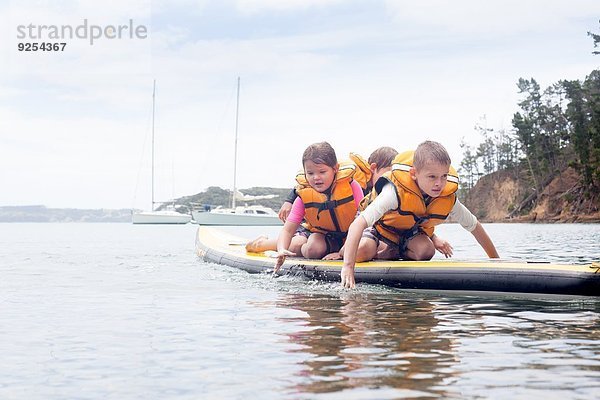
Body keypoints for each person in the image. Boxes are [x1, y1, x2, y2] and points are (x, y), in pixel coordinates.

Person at [341, 140, 499, 289]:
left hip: (405, 234)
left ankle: (390, 252)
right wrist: (348, 267)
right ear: (414, 173)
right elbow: (358, 224)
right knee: (362, 251)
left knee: (426, 251)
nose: (439, 183)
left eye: (444, 176)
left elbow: (474, 226)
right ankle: (340, 252)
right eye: (432, 177)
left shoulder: (447, 196)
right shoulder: (394, 193)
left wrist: (496, 262)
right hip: (379, 227)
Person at [245, 146, 399, 254]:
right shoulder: (354, 179)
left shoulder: (380, 190)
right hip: (320, 230)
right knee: (302, 246)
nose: (390, 179)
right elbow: (306, 185)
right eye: (388, 173)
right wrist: (289, 199)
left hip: (346, 233)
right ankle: (261, 244)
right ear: (373, 168)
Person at [271, 142, 367, 272]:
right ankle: (266, 244)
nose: (316, 178)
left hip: (351, 236)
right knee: (312, 249)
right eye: (310, 173)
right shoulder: (303, 196)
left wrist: (341, 253)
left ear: (335, 168)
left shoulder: (351, 186)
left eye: (322, 172)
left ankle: (294, 243)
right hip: (323, 236)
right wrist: (282, 248)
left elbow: (364, 221)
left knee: (365, 247)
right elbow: (288, 230)